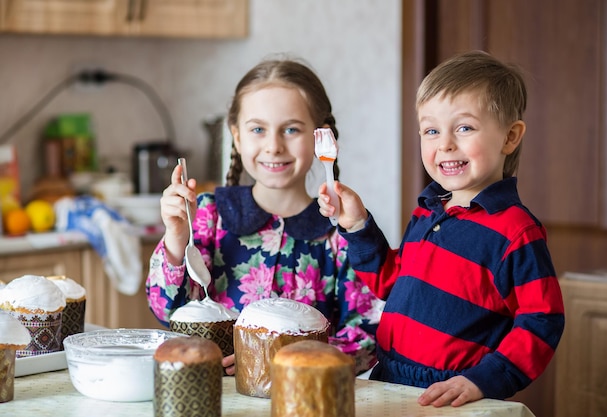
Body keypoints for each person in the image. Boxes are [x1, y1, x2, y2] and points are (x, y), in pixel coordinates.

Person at [317, 50, 565, 407]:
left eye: (464, 128)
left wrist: (484, 379)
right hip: (389, 377)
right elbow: (389, 281)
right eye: (431, 130)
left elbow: (543, 320)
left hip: (450, 394)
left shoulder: (516, 232)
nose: (445, 143)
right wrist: (356, 224)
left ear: (510, 137)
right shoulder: (428, 214)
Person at [146, 57, 381, 376]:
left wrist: (287, 361)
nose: (274, 146)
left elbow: (367, 336)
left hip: (306, 398)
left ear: (320, 137)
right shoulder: (207, 215)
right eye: (258, 129)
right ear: (238, 137)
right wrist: (175, 238)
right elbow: (167, 312)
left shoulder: (340, 230)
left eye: (292, 129)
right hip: (220, 398)